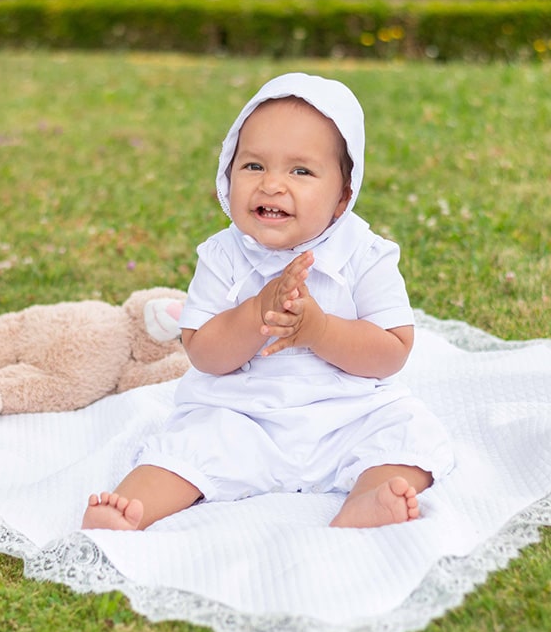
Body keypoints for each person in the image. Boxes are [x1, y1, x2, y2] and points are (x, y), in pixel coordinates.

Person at [82, 72, 454, 532]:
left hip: (346, 414)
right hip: (244, 416)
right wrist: (256, 312)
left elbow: (392, 351)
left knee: (407, 434)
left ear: (343, 194)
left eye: (300, 171)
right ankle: (134, 504)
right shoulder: (222, 255)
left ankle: (369, 496)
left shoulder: (365, 253)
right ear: (227, 171)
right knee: (192, 442)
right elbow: (203, 353)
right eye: (254, 166)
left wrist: (319, 330)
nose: (272, 185)